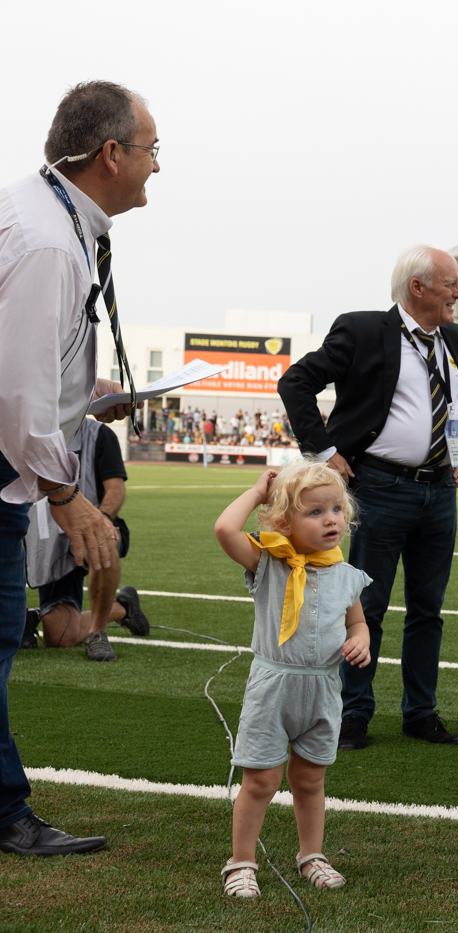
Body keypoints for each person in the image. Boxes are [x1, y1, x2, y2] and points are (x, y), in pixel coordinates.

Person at [0, 80, 159, 857]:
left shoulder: (43, 218)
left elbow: (30, 368)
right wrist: (69, 496)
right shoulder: (46, 241)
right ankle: (5, 812)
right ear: (110, 154)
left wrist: (88, 402)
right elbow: (15, 388)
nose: (157, 166)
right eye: (151, 149)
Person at [278, 245, 458, 750]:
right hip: (379, 488)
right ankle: (353, 714)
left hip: (439, 491)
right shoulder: (364, 329)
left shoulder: (454, 338)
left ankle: (420, 712)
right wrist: (324, 451)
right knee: (364, 608)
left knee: (427, 609)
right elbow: (296, 381)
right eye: (451, 283)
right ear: (419, 288)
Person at [214, 463, 372, 897]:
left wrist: (361, 640)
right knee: (261, 781)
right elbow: (226, 529)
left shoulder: (346, 575)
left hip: (323, 690)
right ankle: (241, 862)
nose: (331, 519)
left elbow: (357, 623)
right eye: (315, 511)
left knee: (310, 780)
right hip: (274, 688)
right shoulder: (269, 561)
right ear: (283, 520)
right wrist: (258, 491)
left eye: (337, 508)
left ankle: (311, 855)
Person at [22, 419, 150, 658]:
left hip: (91, 522)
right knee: (60, 637)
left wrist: (100, 519)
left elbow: (115, 488)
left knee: (103, 538)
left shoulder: (100, 434)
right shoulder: (30, 428)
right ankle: (122, 608)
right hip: (49, 540)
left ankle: (98, 633)